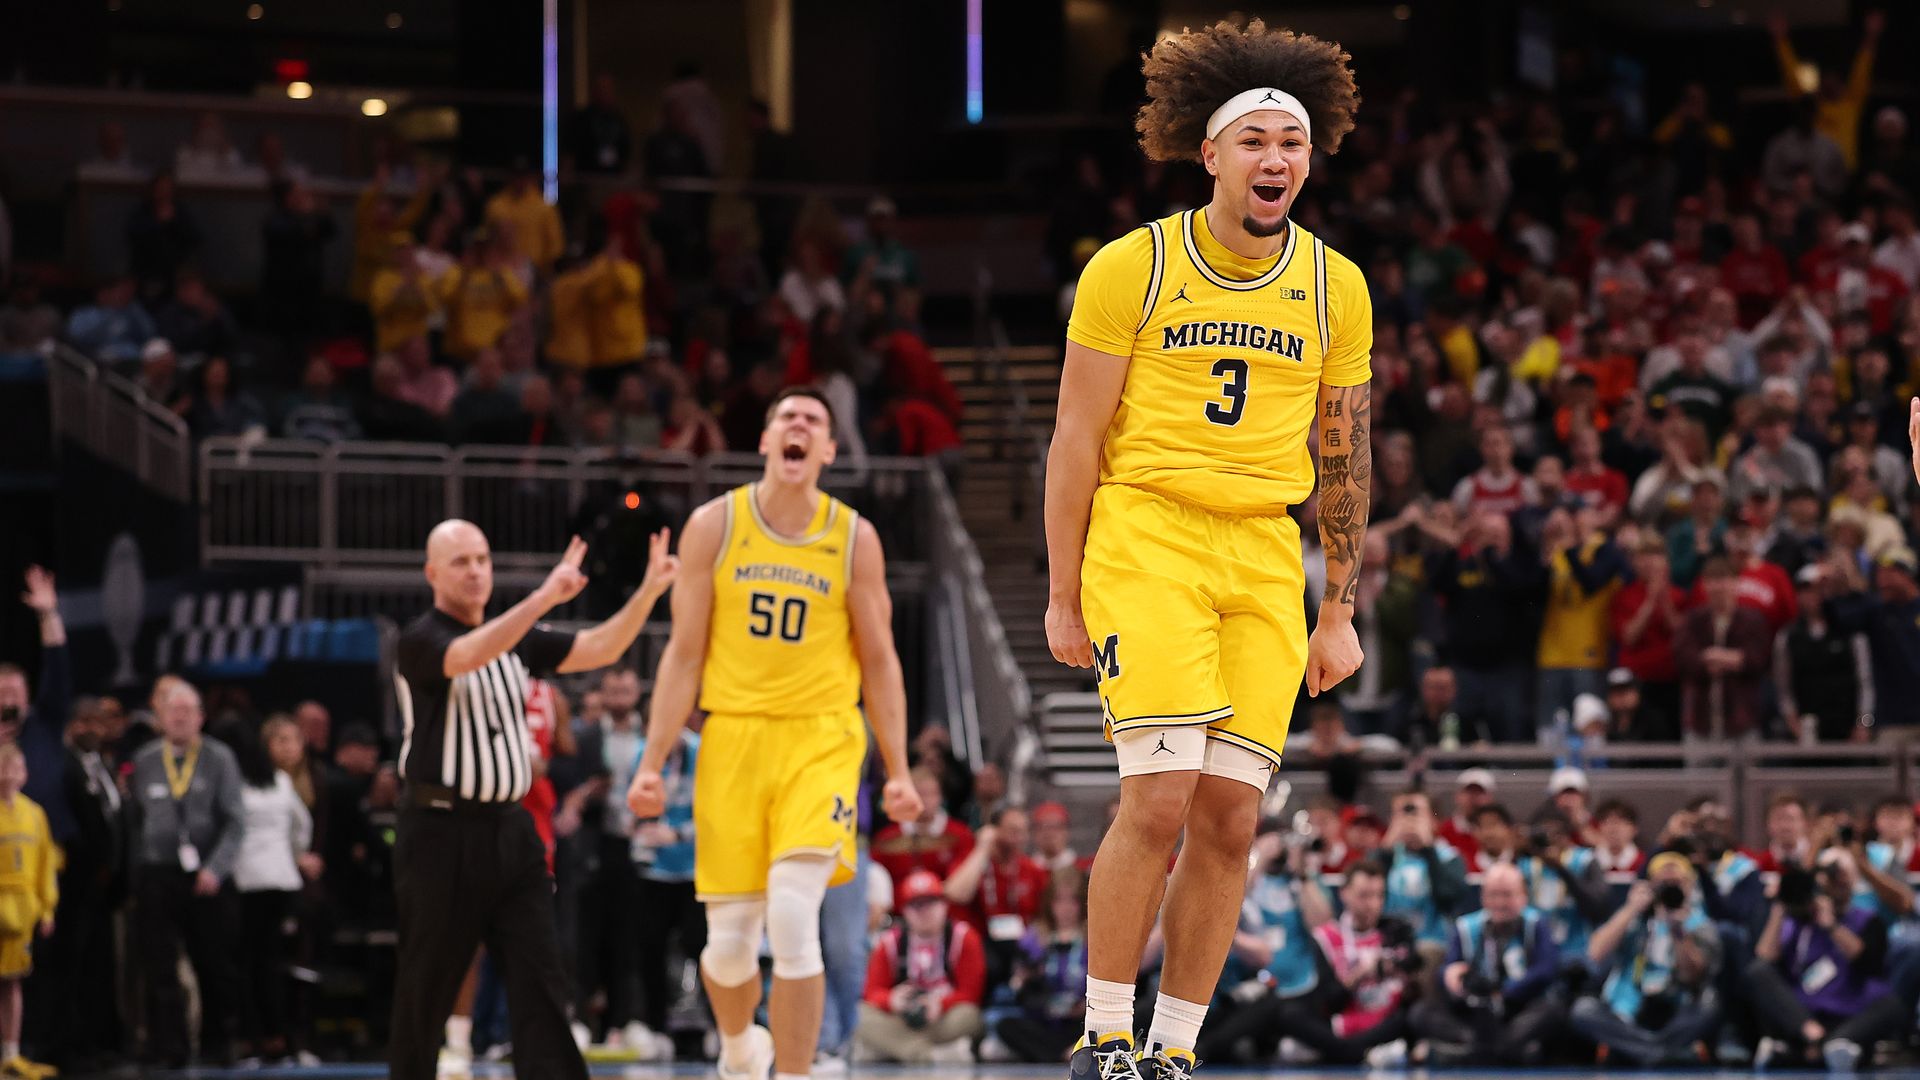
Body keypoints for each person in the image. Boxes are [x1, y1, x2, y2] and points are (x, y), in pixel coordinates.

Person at [1043, 20, 1369, 1079]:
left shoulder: (1335, 286)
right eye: (1256, 141)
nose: (1277, 158)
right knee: (1160, 795)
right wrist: (1062, 593)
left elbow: (1345, 453)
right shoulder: (1132, 267)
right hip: (1149, 534)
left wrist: (1339, 609)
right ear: (1211, 154)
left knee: (1232, 820)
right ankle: (1103, 1031)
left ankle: (1174, 1049)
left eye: (1293, 143)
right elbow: (1075, 440)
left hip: (1264, 551)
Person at [626, 386, 923, 1080]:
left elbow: (880, 661)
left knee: (792, 914)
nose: (799, 426)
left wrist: (899, 769)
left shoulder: (854, 538)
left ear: (829, 449)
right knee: (728, 947)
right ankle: (739, 1052)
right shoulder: (714, 526)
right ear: (765, 441)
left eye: (813, 420)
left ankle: (793, 1073)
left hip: (821, 739)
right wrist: (652, 761)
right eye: (787, 416)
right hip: (732, 739)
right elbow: (684, 655)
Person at [386, 522, 679, 1080]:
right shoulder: (419, 639)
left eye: (482, 559)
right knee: (427, 985)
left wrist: (648, 592)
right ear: (432, 574)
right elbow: (466, 655)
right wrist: (543, 598)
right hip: (438, 832)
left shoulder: (516, 637)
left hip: (510, 831)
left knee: (541, 977)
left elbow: (602, 646)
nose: (475, 571)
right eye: (460, 562)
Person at [130, 680, 245, 1068]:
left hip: (205, 876)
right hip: (158, 874)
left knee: (213, 962)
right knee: (158, 965)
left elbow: (235, 822)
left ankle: (219, 1043)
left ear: (201, 717)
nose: (179, 718)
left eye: (187, 711)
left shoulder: (220, 758)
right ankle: (169, 1047)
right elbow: (135, 820)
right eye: (172, 711)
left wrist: (215, 869)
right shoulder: (145, 760)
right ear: (160, 718)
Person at [1747, 848, 1906, 1071]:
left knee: (1892, 1004)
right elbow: (1765, 956)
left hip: (1849, 1011)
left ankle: (1809, 1051)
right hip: (1804, 1014)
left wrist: (1831, 926)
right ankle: (1818, 1041)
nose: (1835, 883)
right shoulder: (1799, 921)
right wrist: (1782, 905)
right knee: (1758, 972)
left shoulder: (1868, 920)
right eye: (1829, 876)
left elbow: (1866, 961)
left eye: (1841, 876)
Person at [224, 716, 317, 1066]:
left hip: (248, 882)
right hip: (282, 881)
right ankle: (280, 1040)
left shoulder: (236, 784)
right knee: (274, 962)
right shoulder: (280, 781)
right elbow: (302, 827)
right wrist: (292, 856)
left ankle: (256, 1041)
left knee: (250, 964)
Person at [1571, 851, 1723, 1067]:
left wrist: (1678, 932)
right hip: (1630, 1009)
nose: (1670, 890)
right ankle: (1659, 1052)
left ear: (1690, 886)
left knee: (1709, 1005)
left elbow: (1692, 976)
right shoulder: (1637, 920)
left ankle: (1640, 1051)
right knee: (1584, 1010)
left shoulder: (1700, 926)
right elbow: (1595, 953)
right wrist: (1631, 909)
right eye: (1663, 884)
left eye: (1677, 884)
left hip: (1675, 1009)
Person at [1410, 863, 1567, 1067]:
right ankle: (1500, 1051)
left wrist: (1503, 992)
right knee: (1421, 1012)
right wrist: (1455, 978)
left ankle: (1468, 1053)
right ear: (1483, 897)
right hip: (1475, 1013)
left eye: (1507, 895)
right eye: (1493, 895)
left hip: (1517, 1009)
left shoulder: (1536, 924)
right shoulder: (1466, 927)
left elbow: (1546, 970)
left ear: (1523, 896)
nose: (1500, 903)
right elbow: (1448, 971)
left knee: (1553, 1009)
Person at [854, 869, 986, 1063]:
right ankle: (929, 1054)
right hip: (902, 1019)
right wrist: (892, 1000)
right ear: (904, 911)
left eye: (930, 903)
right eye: (916, 905)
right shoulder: (889, 942)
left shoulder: (964, 937)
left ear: (944, 905)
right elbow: (872, 992)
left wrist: (940, 1004)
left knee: (969, 1015)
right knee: (858, 1014)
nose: (924, 911)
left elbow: (971, 993)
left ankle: (894, 1049)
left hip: (943, 1018)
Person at [995, 868, 1092, 1064]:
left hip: (1081, 1017)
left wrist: (1084, 1006)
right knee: (1005, 1025)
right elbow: (1020, 983)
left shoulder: (1092, 935)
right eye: (1059, 901)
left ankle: (1066, 1050)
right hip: (1044, 1017)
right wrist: (1025, 979)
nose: (1065, 909)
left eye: (1072, 901)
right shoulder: (1035, 935)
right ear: (1049, 903)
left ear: (1082, 902)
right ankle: (1066, 1052)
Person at [0, 744, 55, 1080]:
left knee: (12, 982)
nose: (8, 775)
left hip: (22, 912)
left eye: (15, 768)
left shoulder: (34, 814)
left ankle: (11, 1053)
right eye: (3, 768)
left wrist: (46, 909)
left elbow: (45, 865)